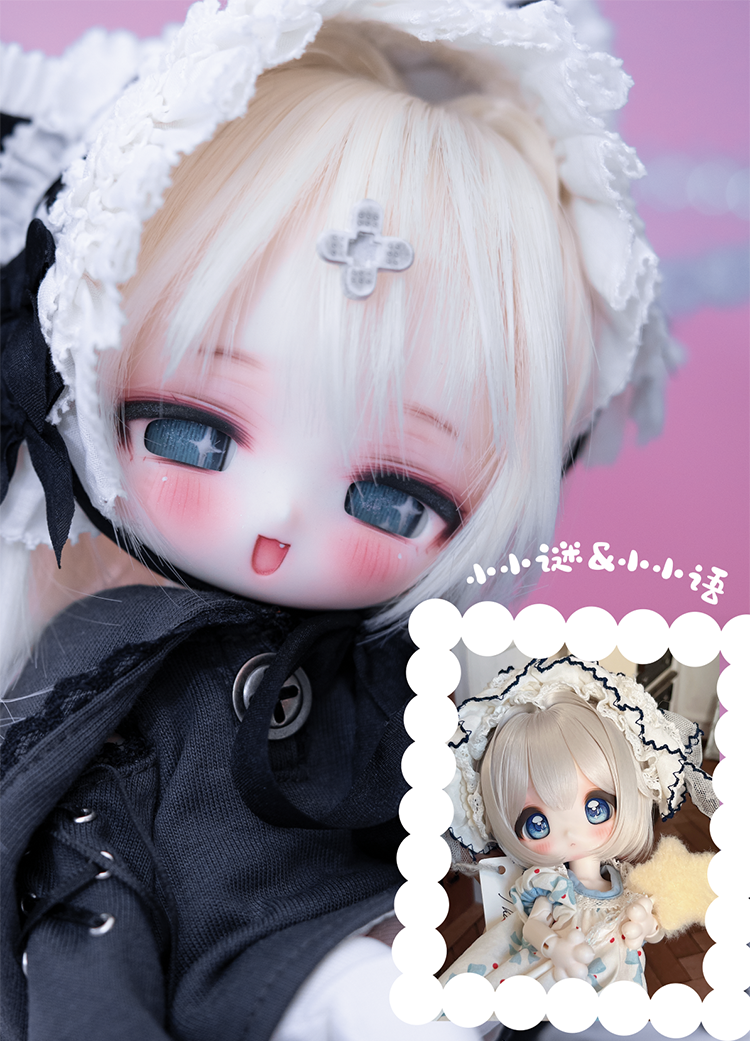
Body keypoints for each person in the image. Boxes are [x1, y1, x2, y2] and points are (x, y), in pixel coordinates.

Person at [0, 2, 676, 1038]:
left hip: (367, 928)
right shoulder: (97, 652)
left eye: (390, 497)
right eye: (194, 433)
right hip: (168, 947)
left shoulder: (411, 665)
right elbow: (66, 853)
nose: (276, 517)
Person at [442, 657, 717, 993]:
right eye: (538, 825)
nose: (571, 834)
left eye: (595, 808)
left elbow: (651, 929)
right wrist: (554, 947)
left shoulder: (627, 879)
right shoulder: (550, 884)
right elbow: (532, 927)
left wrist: (648, 926)